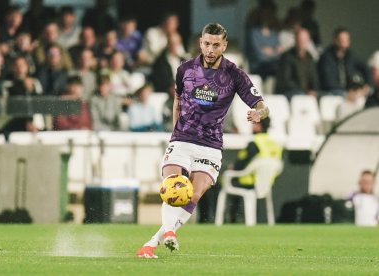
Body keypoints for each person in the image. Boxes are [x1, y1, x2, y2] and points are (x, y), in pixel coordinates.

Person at [136, 23, 269, 258]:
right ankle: (169, 233)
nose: (210, 49)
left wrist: (258, 113)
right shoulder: (184, 69)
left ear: (224, 46)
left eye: (216, 45)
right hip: (183, 138)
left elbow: (261, 105)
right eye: (206, 43)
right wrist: (175, 134)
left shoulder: (234, 74)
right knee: (172, 186)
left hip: (210, 145)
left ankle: (152, 243)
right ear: (200, 42)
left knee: (193, 196)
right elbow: (177, 100)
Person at [226, 117, 283, 223]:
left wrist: (232, 167)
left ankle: (231, 219)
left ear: (259, 126)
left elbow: (241, 164)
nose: (252, 126)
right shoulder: (274, 143)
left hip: (249, 181)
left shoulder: (255, 143)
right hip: (267, 183)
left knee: (226, 180)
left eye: (254, 124)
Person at [317, 27, 369, 96]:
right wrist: (347, 91)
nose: (344, 42)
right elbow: (328, 82)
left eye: (346, 39)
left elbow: (365, 67)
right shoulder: (326, 57)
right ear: (335, 40)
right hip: (333, 92)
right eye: (342, 39)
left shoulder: (350, 56)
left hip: (350, 91)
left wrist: (367, 85)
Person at [276, 28, 319, 99]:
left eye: (304, 40)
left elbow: (314, 78)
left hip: (305, 92)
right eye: (300, 39)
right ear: (295, 40)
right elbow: (285, 81)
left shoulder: (309, 57)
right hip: (289, 92)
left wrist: (313, 90)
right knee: (300, 95)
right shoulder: (286, 57)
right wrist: (305, 91)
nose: (302, 42)